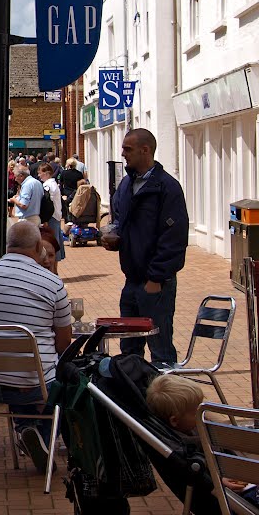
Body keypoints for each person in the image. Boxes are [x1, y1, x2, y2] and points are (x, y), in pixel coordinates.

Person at [0, 220, 72, 474]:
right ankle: (41, 436)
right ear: (39, 246)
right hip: (32, 385)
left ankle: (28, 429)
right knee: (67, 381)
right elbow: (64, 343)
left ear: (8, 245)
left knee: (22, 370)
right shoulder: (52, 284)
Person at [104, 128, 189, 366]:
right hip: (131, 280)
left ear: (145, 150)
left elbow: (174, 237)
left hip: (156, 284)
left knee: (160, 349)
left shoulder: (167, 187)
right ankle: (132, 399)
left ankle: (165, 401)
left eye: (127, 149)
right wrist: (115, 239)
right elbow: (120, 221)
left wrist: (156, 278)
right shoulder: (126, 185)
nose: (123, 154)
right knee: (129, 349)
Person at [146, 374, 259, 506]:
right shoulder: (185, 446)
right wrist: (218, 482)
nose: (202, 415)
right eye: (196, 412)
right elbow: (200, 474)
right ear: (175, 420)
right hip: (226, 498)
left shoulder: (193, 430)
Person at [37, 162, 65, 264]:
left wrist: (45, 219)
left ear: (47, 173)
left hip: (51, 217)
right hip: (55, 216)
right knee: (54, 241)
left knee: (51, 243)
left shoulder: (48, 185)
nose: (39, 175)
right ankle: (54, 270)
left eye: (40, 173)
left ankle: (53, 269)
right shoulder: (52, 184)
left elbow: (48, 205)